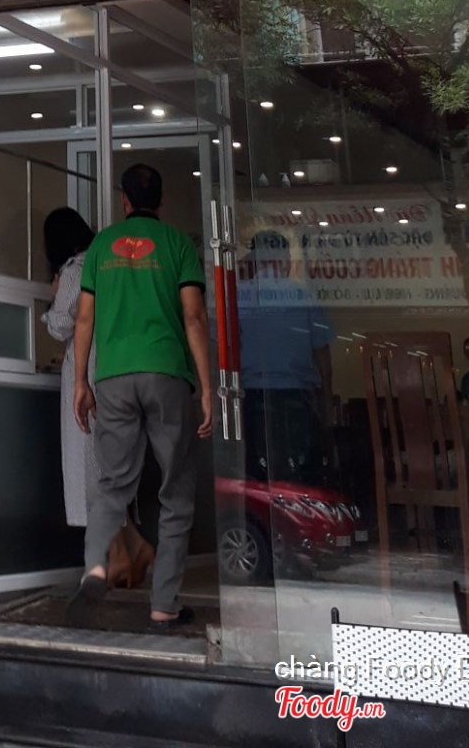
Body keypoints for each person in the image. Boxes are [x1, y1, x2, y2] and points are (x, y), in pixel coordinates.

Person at [72, 162, 212, 628]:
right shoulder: (177, 245)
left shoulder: (101, 246)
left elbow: (85, 318)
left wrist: (81, 381)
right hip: (166, 373)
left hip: (113, 376)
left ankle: (96, 565)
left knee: (113, 484)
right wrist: (207, 387)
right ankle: (164, 602)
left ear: (125, 201)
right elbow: (193, 317)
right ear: (162, 200)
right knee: (176, 490)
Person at [236, 229, 334, 484]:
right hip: (297, 397)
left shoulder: (238, 295)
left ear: (254, 260)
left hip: (251, 397)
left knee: (256, 477)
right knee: (299, 476)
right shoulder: (302, 295)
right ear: (286, 260)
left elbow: (220, 350)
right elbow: (322, 354)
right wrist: (326, 403)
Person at [42, 206, 97, 528]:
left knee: (86, 463)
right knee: (109, 466)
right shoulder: (104, 261)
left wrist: (53, 297)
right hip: (112, 368)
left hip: (87, 373)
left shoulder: (75, 270)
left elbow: (60, 325)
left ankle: (115, 550)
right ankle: (130, 546)